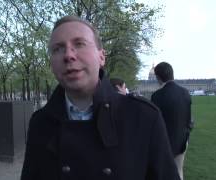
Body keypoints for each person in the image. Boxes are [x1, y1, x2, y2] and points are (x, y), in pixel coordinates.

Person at [21, 15, 180, 180]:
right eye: (58, 49)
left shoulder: (145, 117)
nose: (68, 55)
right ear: (51, 64)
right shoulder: (40, 123)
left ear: (102, 57)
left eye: (79, 44)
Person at [151, 62, 193, 180]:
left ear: (158, 77)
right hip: (182, 139)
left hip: (165, 141)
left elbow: (155, 122)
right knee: (179, 171)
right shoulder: (185, 92)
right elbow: (189, 119)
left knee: (163, 173)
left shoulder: (157, 96)